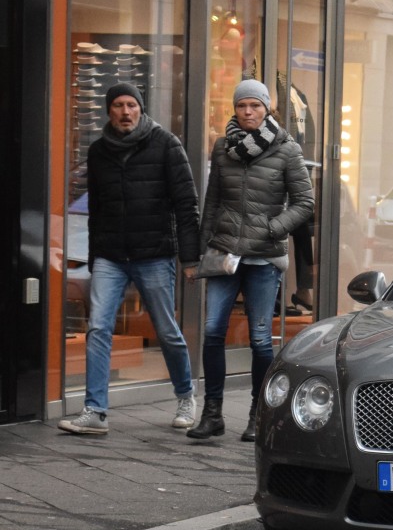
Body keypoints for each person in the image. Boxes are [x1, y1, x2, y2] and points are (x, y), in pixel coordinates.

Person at [58, 82, 201, 436]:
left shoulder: (166, 144)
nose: (125, 112)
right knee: (98, 329)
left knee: (167, 330)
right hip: (110, 254)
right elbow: (97, 209)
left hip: (153, 253)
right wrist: (92, 257)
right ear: (109, 111)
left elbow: (186, 205)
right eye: (119, 105)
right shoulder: (98, 152)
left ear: (141, 109)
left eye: (131, 105)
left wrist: (190, 258)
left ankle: (185, 396)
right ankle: (95, 411)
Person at [188, 79, 314, 442]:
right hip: (225, 254)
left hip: (263, 257)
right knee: (212, 333)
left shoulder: (287, 149)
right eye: (242, 106)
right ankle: (212, 414)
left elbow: (304, 203)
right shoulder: (222, 146)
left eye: (254, 106)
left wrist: (274, 229)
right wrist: (200, 251)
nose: (248, 112)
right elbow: (212, 202)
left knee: (260, 339)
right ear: (235, 108)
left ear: (266, 109)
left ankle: (258, 416)